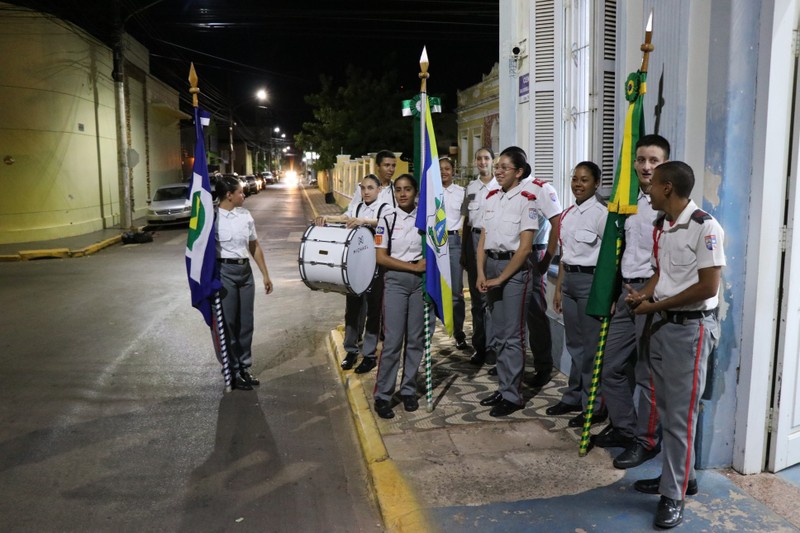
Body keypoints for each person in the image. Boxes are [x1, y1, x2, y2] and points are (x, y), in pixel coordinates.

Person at [625, 161, 725, 529]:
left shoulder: (704, 226)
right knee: (669, 410)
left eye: (652, 184)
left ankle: (674, 495)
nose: (646, 189)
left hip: (690, 330)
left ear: (668, 188)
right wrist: (644, 295)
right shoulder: (665, 225)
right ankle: (682, 478)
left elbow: (707, 288)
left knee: (682, 416)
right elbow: (663, 273)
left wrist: (656, 305)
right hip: (664, 325)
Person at [592, 134, 670, 470]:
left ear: (665, 164)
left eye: (654, 160)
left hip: (653, 295)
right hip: (626, 294)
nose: (646, 166)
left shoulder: (670, 206)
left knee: (646, 374)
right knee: (610, 367)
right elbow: (618, 253)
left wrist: (649, 293)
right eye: (641, 160)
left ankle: (647, 441)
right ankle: (625, 429)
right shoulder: (630, 201)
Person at [476, 148, 538, 417]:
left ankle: (513, 396)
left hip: (513, 272)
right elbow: (483, 240)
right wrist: (481, 272)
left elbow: (525, 248)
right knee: (498, 333)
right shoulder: (491, 197)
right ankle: (504, 386)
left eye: (504, 167)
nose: (498, 171)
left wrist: (501, 278)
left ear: (519, 172)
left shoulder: (527, 200)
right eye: (497, 166)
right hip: (491, 265)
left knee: (512, 336)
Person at [547, 161, 609, 427]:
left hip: (591, 283)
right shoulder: (568, 214)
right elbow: (564, 256)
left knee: (591, 349)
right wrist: (560, 288)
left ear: (596, 183)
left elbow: (609, 258)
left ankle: (593, 405)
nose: (578, 184)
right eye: (575, 179)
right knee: (574, 345)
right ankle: (573, 396)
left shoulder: (602, 214)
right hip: (570, 281)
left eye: (584, 180)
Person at [315, 174, 389, 372]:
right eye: (363, 188)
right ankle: (351, 349)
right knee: (353, 308)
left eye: (370, 188)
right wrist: (325, 218)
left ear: (379, 189)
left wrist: (363, 221)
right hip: (355, 264)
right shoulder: (356, 206)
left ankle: (369, 354)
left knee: (373, 310)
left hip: (376, 264)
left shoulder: (384, 207)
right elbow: (344, 218)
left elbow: (383, 223)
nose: (366, 191)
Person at [373, 174, 427, 419]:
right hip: (395, 281)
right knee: (393, 340)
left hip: (419, 284)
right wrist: (412, 268)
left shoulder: (425, 218)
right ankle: (383, 394)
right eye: (399, 190)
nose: (403, 194)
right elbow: (381, 257)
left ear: (416, 192)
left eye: (408, 189)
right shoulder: (387, 219)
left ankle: (408, 390)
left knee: (416, 339)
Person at [215, 175, 273, 391]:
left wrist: (265, 275)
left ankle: (244, 368)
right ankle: (230, 369)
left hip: (244, 272)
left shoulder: (245, 216)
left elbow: (254, 246)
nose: (243, 194)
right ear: (229, 195)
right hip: (224, 273)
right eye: (240, 192)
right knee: (228, 324)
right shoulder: (213, 219)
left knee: (246, 323)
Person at [462, 147, 499, 365]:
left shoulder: (500, 186)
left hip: (493, 241)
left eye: (486, 158)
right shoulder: (470, 188)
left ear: (492, 161)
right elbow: (466, 221)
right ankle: (479, 346)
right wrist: (466, 250)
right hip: (474, 240)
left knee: (491, 297)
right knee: (477, 299)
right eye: (479, 158)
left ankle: (493, 346)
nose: (482, 162)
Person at [439, 156, 468, 350]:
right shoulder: (430, 192)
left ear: (453, 170)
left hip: (454, 241)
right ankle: (429, 331)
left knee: (456, 292)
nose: (444, 172)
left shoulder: (461, 192)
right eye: (440, 169)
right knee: (434, 290)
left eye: (447, 169)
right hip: (435, 242)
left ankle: (458, 332)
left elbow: (467, 220)